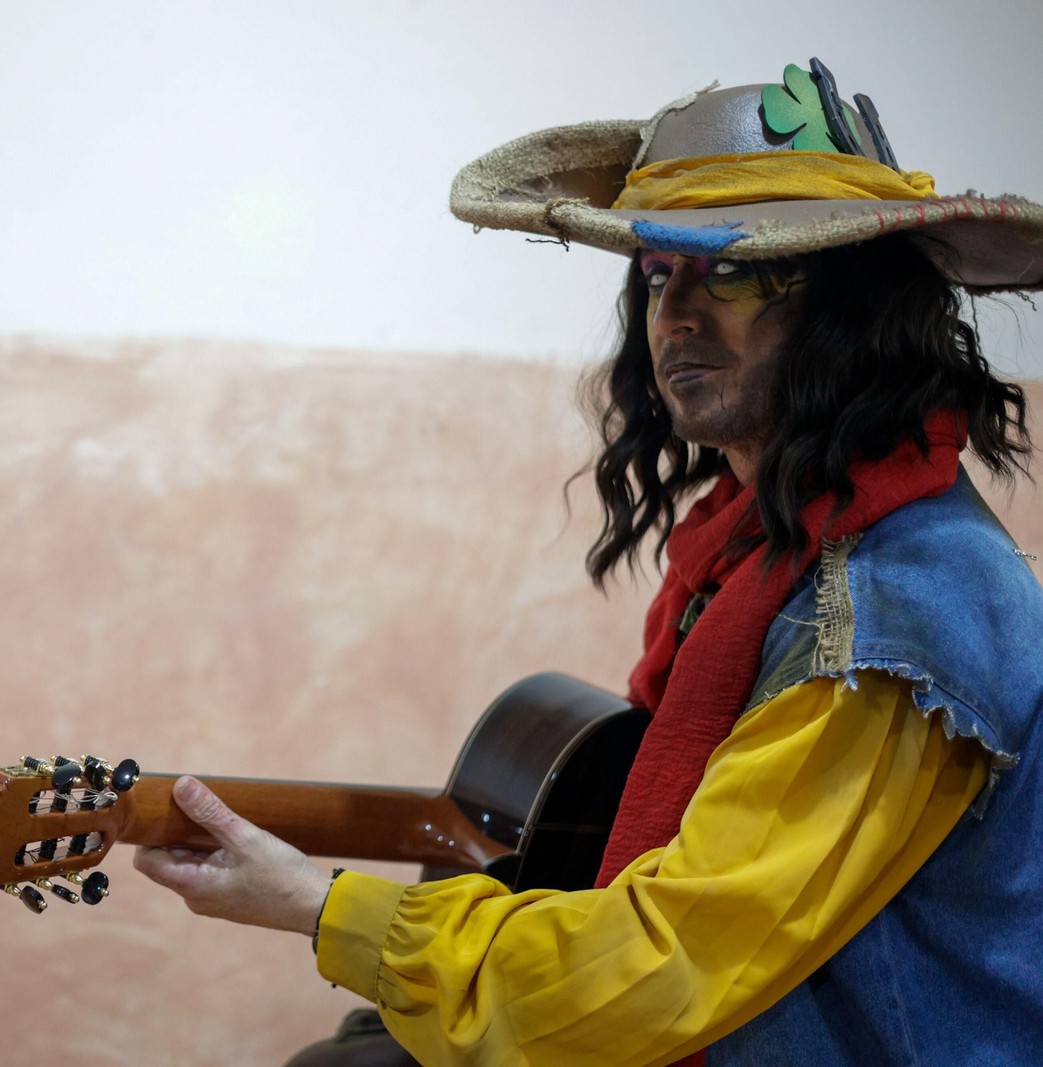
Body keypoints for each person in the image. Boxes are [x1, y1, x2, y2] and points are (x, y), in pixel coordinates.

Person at [134, 63, 1043, 1066]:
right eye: (658, 274)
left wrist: (317, 905)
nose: (676, 316)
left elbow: (659, 965)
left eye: (733, 269)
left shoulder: (888, 618)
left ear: (855, 310)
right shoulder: (760, 541)